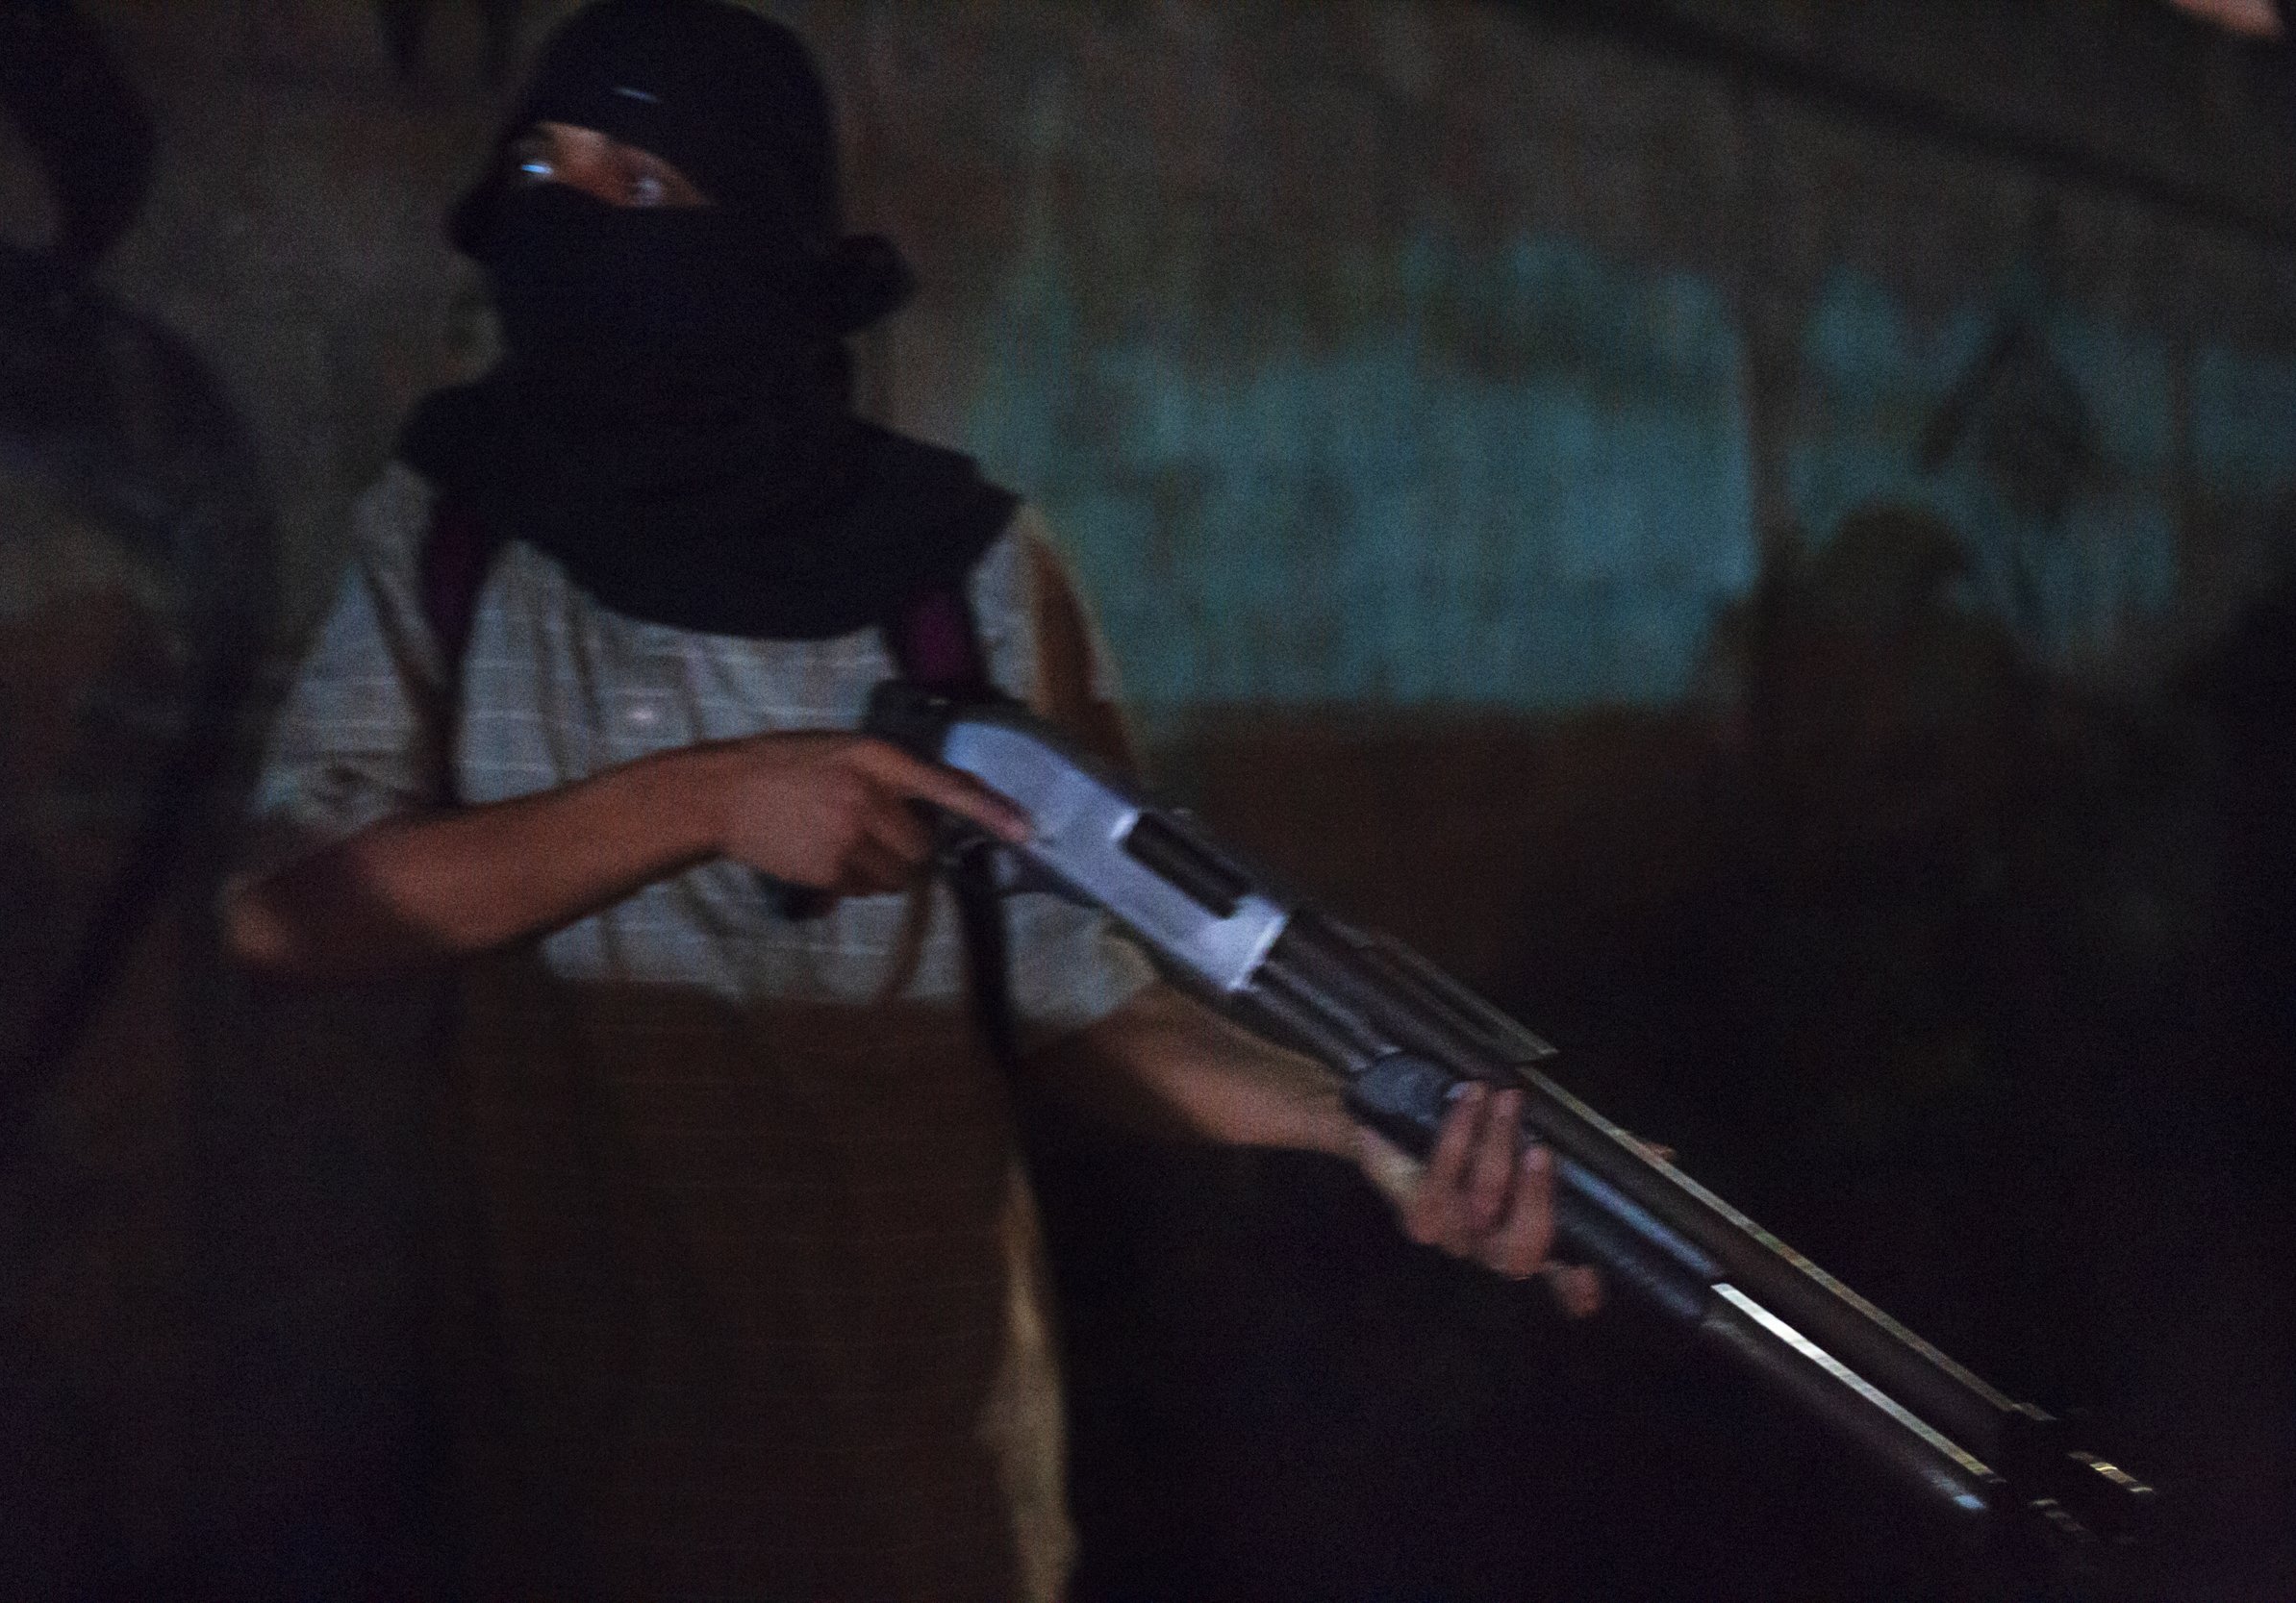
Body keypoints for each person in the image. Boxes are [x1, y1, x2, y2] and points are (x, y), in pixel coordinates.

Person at [223, 2, 1593, 1596]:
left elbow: (1077, 1011)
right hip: (562, 1493)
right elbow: (288, 914)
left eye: (644, 183)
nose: (572, 215)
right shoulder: (457, 531)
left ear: (762, 245)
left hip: (916, 1489)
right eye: (540, 164)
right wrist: (710, 799)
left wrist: (1343, 1121)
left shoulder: (963, 576)